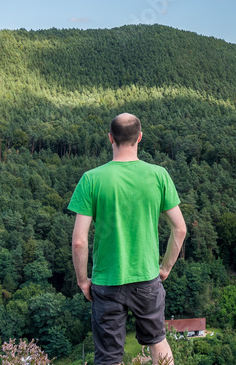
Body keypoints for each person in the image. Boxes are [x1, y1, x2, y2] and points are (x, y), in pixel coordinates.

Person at [69, 113, 187, 365]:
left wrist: (82, 281)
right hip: (147, 277)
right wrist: (164, 269)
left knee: (109, 357)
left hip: (107, 281)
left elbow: (79, 241)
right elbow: (180, 229)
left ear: (110, 138)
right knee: (157, 340)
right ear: (139, 138)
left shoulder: (91, 179)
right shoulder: (159, 175)